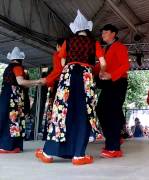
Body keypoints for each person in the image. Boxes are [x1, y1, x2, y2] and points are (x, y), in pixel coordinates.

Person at [35, 10, 106, 165]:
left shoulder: (68, 41)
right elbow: (103, 63)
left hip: (68, 75)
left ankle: (48, 153)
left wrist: (67, 69)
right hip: (85, 77)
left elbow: (61, 63)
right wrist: (101, 72)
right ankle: (78, 155)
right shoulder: (94, 43)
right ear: (87, 29)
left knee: (62, 112)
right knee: (83, 113)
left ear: (75, 29)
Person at [95, 24, 130, 158]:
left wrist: (112, 75)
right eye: (102, 32)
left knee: (112, 112)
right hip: (108, 83)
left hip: (118, 82)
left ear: (114, 33)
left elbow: (125, 65)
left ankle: (114, 148)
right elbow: (100, 65)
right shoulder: (105, 49)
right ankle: (113, 138)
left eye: (106, 32)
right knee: (101, 109)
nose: (103, 34)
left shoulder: (120, 47)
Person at [0, 47, 40, 153]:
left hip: (5, 95)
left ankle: (9, 145)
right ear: (20, 59)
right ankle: (9, 146)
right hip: (14, 97)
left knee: (6, 119)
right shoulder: (18, 67)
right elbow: (21, 82)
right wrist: (37, 81)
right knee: (14, 120)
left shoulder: (8, 68)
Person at [39, 38, 65, 140]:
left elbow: (57, 71)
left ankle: (51, 134)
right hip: (69, 85)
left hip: (58, 85)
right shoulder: (71, 56)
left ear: (59, 46)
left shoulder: (57, 55)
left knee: (54, 110)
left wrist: (47, 80)